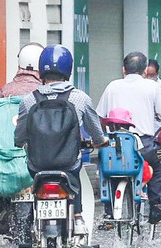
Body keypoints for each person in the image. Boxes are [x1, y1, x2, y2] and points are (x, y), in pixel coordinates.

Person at [14, 45, 106, 232]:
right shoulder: (80, 98)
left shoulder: (29, 100)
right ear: (68, 70)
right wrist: (101, 141)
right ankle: (78, 217)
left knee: (35, 186)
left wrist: (19, 143)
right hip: (68, 164)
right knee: (75, 172)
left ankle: (33, 220)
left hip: (37, 166)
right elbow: (96, 132)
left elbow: (20, 136)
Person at [96, 51, 161, 224]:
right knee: (157, 170)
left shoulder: (112, 86)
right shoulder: (152, 87)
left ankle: (109, 211)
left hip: (115, 144)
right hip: (143, 145)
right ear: (145, 70)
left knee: (108, 171)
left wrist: (105, 134)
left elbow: (100, 117)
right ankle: (154, 207)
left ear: (124, 69)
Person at [0, 43, 46, 235]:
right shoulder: (45, 92)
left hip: (10, 157)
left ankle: (4, 207)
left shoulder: (5, 90)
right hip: (40, 157)